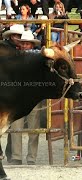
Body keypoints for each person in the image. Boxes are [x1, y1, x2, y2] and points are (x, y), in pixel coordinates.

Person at [5, 30, 42, 165]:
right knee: (16, 127)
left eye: (28, 43)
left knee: (34, 128)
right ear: (20, 45)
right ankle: (17, 157)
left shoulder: (39, 58)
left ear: (32, 45)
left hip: (33, 98)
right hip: (18, 98)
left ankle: (31, 157)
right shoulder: (14, 57)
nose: (25, 46)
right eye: (24, 43)